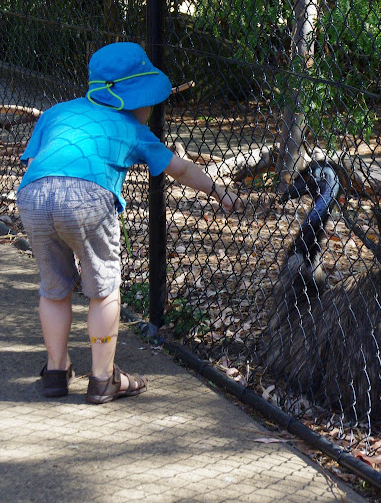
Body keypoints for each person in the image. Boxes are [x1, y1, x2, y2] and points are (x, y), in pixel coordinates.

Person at [16, 42, 239, 404]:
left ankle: (56, 371)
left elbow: (35, 163)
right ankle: (103, 379)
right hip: (87, 199)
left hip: (34, 195)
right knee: (103, 288)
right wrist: (216, 189)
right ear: (132, 99)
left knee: (54, 287)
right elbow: (179, 169)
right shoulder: (131, 129)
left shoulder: (56, 112)